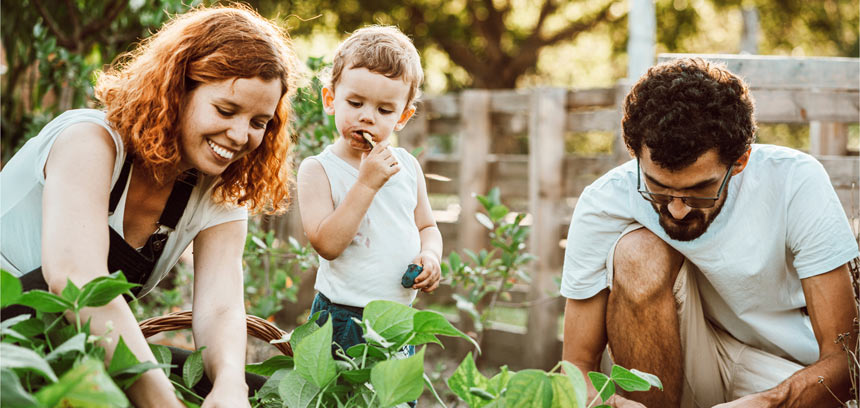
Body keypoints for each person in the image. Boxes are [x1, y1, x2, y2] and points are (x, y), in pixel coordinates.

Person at [0, 5, 300, 407]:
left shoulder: (216, 189)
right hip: (12, 338)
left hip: (76, 343)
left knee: (270, 394)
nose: (239, 135)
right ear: (177, 90)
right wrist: (163, 403)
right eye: (226, 110)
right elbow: (78, 281)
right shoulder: (89, 140)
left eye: (258, 122)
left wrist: (230, 384)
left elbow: (221, 308)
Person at [561, 58, 858, 407]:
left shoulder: (796, 181)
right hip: (682, 361)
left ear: (741, 161)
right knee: (636, 252)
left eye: (699, 190)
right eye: (657, 188)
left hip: (785, 370)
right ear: (635, 154)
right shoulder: (603, 202)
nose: (676, 209)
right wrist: (608, 405)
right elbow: (575, 366)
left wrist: (768, 402)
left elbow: (845, 360)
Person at [296, 26, 442, 354]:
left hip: (397, 320)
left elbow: (427, 227)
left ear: (403, 117)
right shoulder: (318, 170)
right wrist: (366, 183)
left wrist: (431, 254)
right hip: (342, 319)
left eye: (384, 110)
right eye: (356, 102)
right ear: (331, 99)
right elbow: (327, 244)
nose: (366, 117)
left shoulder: (407, 167)